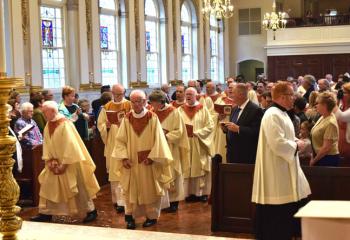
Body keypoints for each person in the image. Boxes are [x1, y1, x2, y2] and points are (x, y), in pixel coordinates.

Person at [252, 82, 311, 240]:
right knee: (277, 219)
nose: (294, 98)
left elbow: (284, 137)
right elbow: (277, 143)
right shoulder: (272, 114)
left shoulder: (283, 113)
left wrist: (295, 140)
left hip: (284, 167)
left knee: (286, 215)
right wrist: (297, 146)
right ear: (282, 97)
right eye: (292, 95)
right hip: (276, 171)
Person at [109, 90, 173, 229]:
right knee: (130, 189)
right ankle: (130, 216)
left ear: (145, 102)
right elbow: (120, 141)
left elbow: (159, 140)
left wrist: (153, 157)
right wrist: (123, 158)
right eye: (133, 101)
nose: (136, 104)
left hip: (148, 162)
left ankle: (151, 216)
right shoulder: (127, 118)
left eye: (139, 101)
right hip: (131, 162)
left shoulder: (152, 117)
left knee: (149, 188)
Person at [30, 101, 100, 223]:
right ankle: (45, 213)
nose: (43, 114)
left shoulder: (64, 124)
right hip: (53, 164)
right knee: (48, 187)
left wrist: (64, 164)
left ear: (52, 111)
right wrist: (49, 160)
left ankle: (91, 211)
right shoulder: (49, 124)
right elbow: (47, 143)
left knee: (78, 187)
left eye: (45, 112)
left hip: (69, 163)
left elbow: (71, 146)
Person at [149, 90, 190, 213]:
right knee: (159, 173)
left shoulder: (174, 112)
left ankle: (174, 201)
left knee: (172, 173)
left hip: (171, 148)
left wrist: (166, 135)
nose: (151, 105)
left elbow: (179, 131)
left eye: (153, 102)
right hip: (157, 149)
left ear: (161, 102)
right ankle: (162, 201)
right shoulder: (151, 113)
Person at [97, 84, 132, 213]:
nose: (119, 96)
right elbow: (100, 124)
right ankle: (118, 201)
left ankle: (128, 199)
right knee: (114, 173)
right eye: (116, 94)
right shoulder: (106, 107)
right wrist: (105, 126)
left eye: (121, 93)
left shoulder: (130, 105)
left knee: (126, 171)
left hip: (127, 141)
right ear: (112, 93)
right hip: (112, 142)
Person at [178, 87, 214, 202]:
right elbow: (175, 125)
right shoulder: (180, 110)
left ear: (196, 96)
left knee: (199, 167)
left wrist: (197, 133)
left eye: (191, 94)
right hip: (185, 143)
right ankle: (188, 193)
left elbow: (210, 126)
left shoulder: (202, 109)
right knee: (187, 167)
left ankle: (201, 192)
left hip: (199, 142)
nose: (188, 96)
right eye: (187, 94)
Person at [223, 83, 263, 164]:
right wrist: (226, 129)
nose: (231, 95)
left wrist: (239, 129)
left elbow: (257, 131)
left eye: (233, 93)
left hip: (246, 156)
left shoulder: (255, 110)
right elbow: (233, 129)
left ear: (240, 94)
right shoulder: (234, 109)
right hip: (232, 154)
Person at [310, 92, 340, 166]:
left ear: (325, 105)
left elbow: (326, 148)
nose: (316, 105)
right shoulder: (323, 116)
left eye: (318, 103)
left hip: (327, 159)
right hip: (320, 156)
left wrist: (314, 160)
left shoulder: (330, 122)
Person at [212, 82, 235, 163]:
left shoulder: (239, 101)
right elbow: (211, 114)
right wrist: (217, 116)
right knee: (221, 150)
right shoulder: (220, 100)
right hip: (221, 131)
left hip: (233, 130)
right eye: (229, 87)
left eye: (232, 87)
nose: (230, 89)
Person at [334, 82, 350, 162]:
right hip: (339, 143)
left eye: (344, 92)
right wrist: (337, 100)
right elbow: (335, 115)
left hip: (347, 144)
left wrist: (334, 100)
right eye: (341, 92)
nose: (342, 94)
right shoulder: (341, 106)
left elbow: (342, 117)